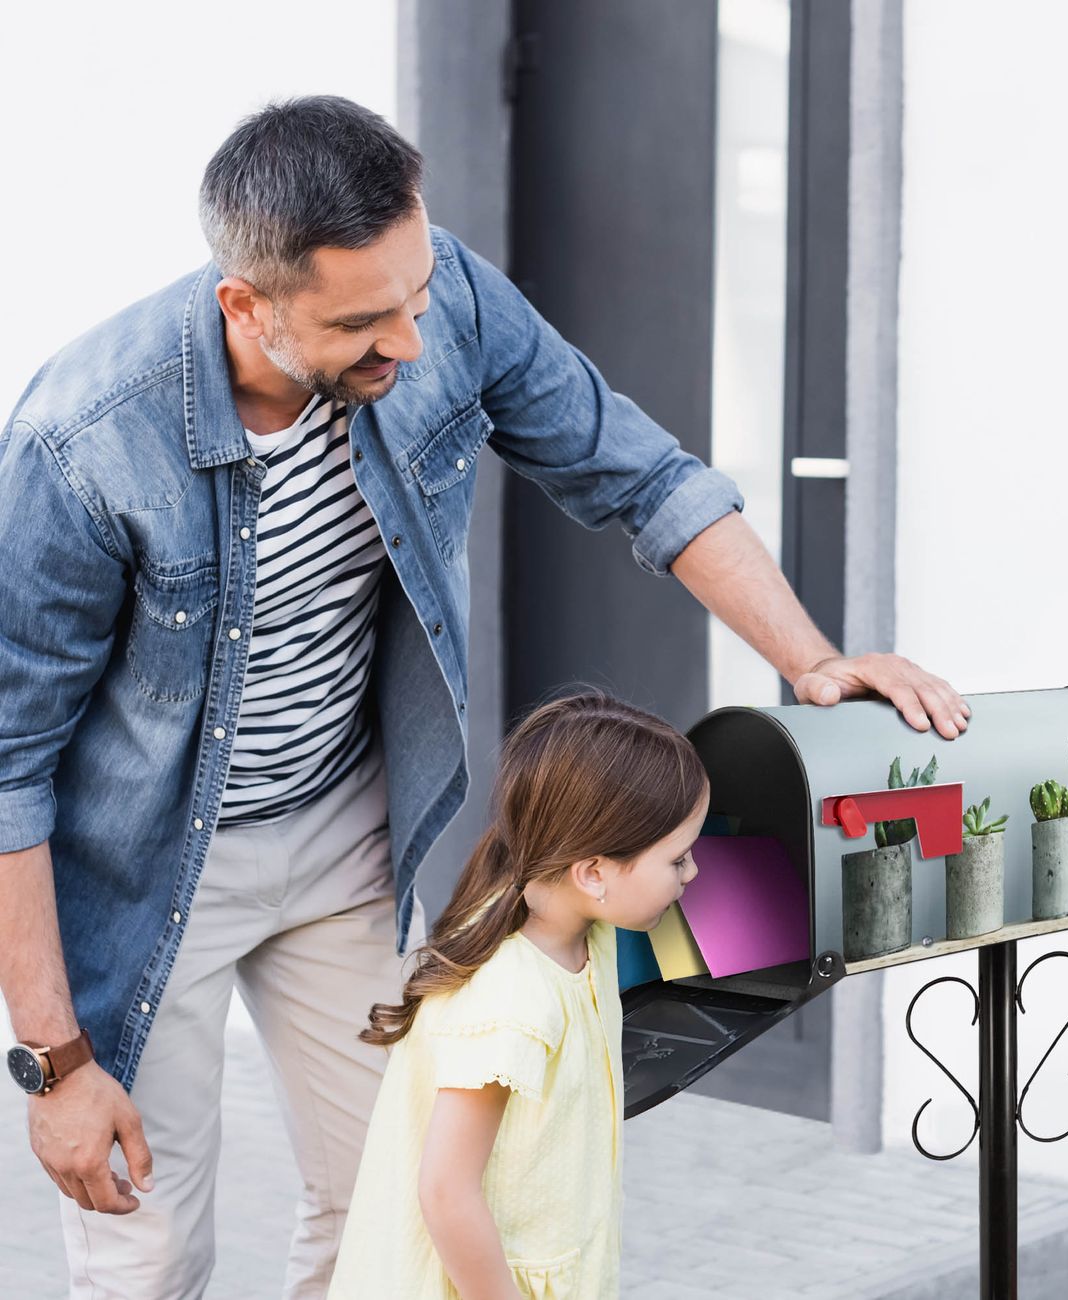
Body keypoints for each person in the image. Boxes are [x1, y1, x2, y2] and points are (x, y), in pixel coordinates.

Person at [0, 95, 968, 1298]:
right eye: (361, 322)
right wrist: (54, 1063)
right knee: (147, 1255)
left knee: (387, 1214)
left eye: (412, 294)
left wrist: (811, 659)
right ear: (244, 305)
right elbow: (8, 766)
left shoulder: (443, 295)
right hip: (148, 874)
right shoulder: (83, 442)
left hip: (345, 834)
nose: (408, 342)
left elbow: (641, 474)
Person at [328, 691, 707, 1299]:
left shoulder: (582, 926)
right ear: (593, 873)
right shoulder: (512, 1002)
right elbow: (446, 1192)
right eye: (679, 859)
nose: (693, 874)